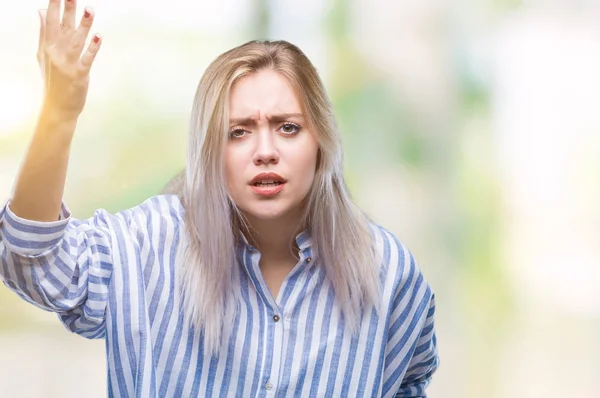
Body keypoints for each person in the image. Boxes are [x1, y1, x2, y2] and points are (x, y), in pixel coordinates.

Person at [0, 0, 439, 397]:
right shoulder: (148, 246)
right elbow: (31, 259)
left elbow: (408, 385)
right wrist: (59, 112)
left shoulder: (389, 273)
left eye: (288, 127)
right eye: (239, 131)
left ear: (321, 141)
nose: (265, 151)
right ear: (210, 150)